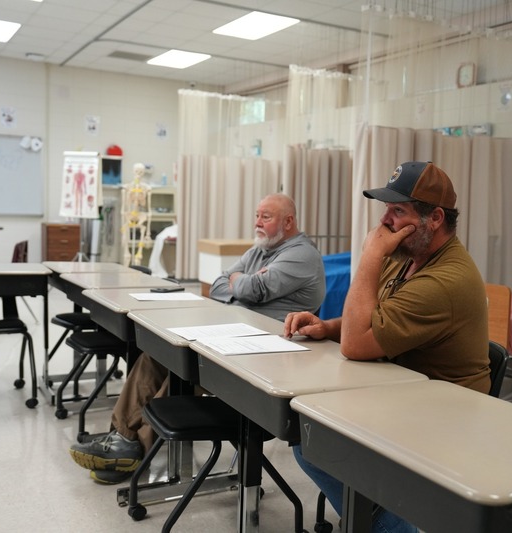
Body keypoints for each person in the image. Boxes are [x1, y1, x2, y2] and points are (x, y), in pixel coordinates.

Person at [283, 161, 489, 533]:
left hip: (443, 415)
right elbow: (371, 321)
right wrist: (326, 327)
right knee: (310, 435)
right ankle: (379, 518)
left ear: (435, 218)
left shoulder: (446, 279)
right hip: (402, 392)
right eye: (386, 209)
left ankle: (383, 523)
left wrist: (369, 255)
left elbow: (359, 343)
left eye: (398, 211)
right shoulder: (408, 257)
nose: (384, 223)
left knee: (319, 441)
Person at [69, 193, 326, 484]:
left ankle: (133, 450)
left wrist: (240, 282)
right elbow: (217, 286)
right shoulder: (260, 251)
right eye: (256, 215)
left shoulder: (302, 254)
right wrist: (240, 283)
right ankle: (121, 436)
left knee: (188, 370)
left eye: (265, 217)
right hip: (234, 335)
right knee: (159, 354)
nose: (257, 223)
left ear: (289, 221)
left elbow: (252, 290)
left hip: (266, 353)